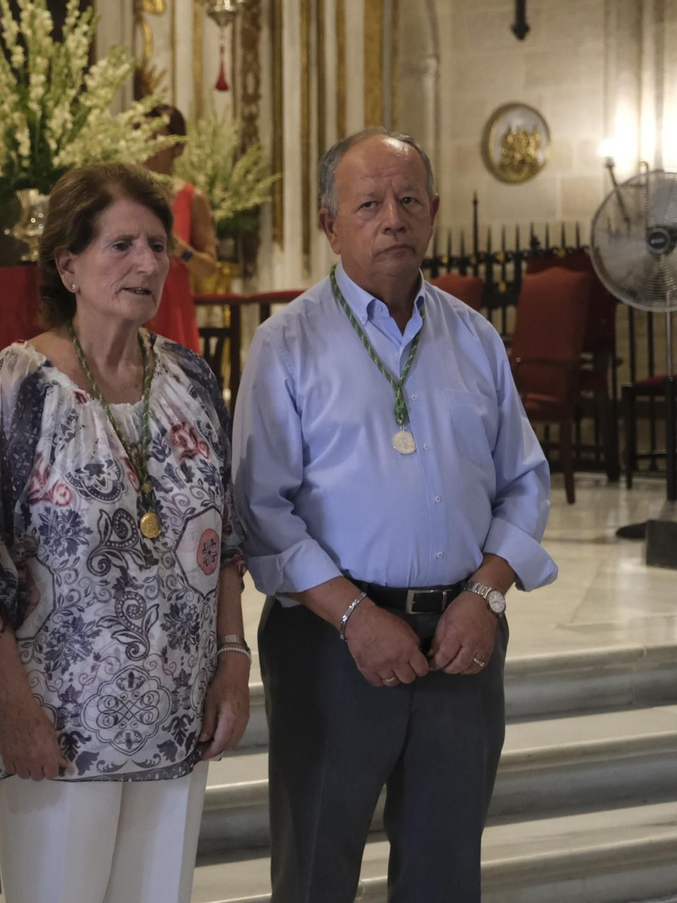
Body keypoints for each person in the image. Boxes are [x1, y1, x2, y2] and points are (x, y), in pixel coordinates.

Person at [232, 129, 556, 902]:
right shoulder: (288, 345)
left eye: (409, 200)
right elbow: (260, 508)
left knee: (445, 874)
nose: (393, 219)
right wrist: (353, 616)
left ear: (435, 210)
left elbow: (525, 480)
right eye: (369, 203)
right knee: (317, 868)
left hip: (461, 643)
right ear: (328, 224)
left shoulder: (473, 336)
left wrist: (486, 594)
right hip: (330, 648)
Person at [0, 162, 250, 903]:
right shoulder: (17, 385)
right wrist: (15, 707)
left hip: (177, 714)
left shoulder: (190, 378)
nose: (148, 263)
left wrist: (232, 660)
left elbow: (226, 544)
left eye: (158, 245)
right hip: (59, 724)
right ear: (68, 263)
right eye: (122, 245)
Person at [140, 105, 219, 354]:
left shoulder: (192, 198)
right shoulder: (124, 197)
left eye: (159, 138)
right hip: (132, 308)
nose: (149, 145)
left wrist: (180, 249)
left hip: (173, 310)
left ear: (178, 148)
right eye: (144, 136)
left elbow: (209, 269)